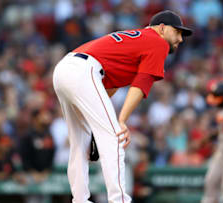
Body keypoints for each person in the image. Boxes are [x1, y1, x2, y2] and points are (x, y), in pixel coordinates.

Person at [52, 10, 193, 203]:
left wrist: (98, 123)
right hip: (84, 71)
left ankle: (80, 200)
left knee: (80, 143)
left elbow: (106, 89)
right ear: (161, 28)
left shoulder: (137, 42)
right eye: (177, 32)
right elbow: (141, 84)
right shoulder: (157, 41)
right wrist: (121, 121)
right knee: (115, 138)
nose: (181, 39)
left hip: (65, 70)